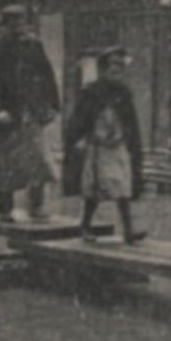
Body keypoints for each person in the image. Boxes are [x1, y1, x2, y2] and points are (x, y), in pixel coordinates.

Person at [0, 4, 60, 223]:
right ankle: (4, 209)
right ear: (5, 23)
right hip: (9, 114)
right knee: (7, 163)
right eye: (12, 21)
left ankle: (36, 206)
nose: (18, 25)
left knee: (37, 160)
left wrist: (53, 105)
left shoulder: (34, 45)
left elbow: (46, 75)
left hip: (32, 112)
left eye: (21, 21)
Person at [64, 47, 147, 246]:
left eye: (120, 65)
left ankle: (128, 230)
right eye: (112, 65)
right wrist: (79, 138)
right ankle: (84, 225)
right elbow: (79, 119)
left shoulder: (124, 92)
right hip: (97, 145)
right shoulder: (91, 91)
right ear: (103, 68)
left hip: (117, 144)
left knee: (122, 185)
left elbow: (130, 122)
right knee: (95, 187)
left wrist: (132, 143)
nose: (117, 70)